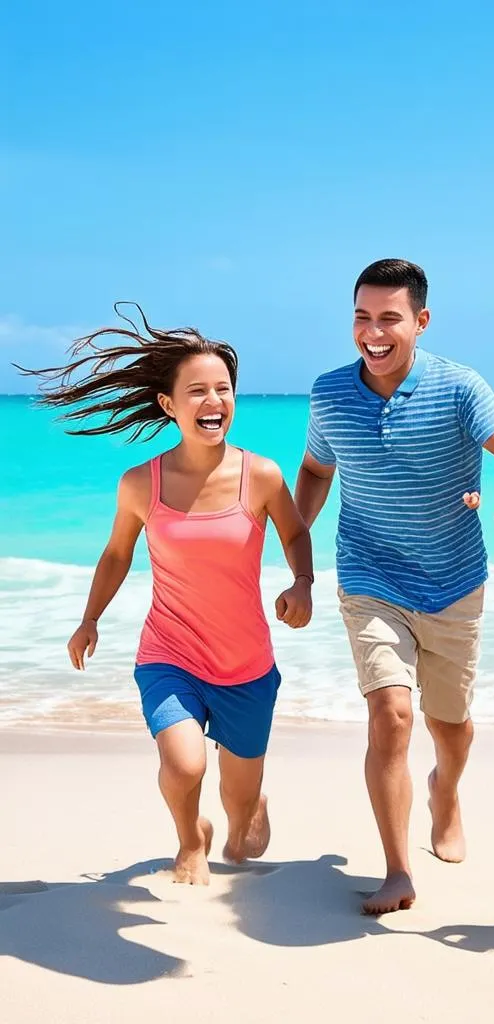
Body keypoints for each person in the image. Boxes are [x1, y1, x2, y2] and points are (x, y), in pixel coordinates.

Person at [19, 307, 314, 885]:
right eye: (197, 390)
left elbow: (296, 530)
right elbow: (115, 555)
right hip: (170, 653)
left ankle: (236, 817)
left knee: (245, 830)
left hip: (246, 663)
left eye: (223, 389)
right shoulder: (140, 484)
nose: (214, 400)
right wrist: (88, 620)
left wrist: (301, 582)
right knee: (185, 762)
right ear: (168, 404)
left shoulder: (262, 476)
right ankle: (187, 841)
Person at [295, 259, 494, 915]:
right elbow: (316, 472)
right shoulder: (329, 393)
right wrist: (296, 553)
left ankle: (447, 790)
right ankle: (398, 869)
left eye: (389, 319)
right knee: (392, 715)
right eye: (362, 318)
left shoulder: (460, 386)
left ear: (420, 322)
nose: (373, 333)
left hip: (453, 580)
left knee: (449, 725)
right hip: (369, 576)